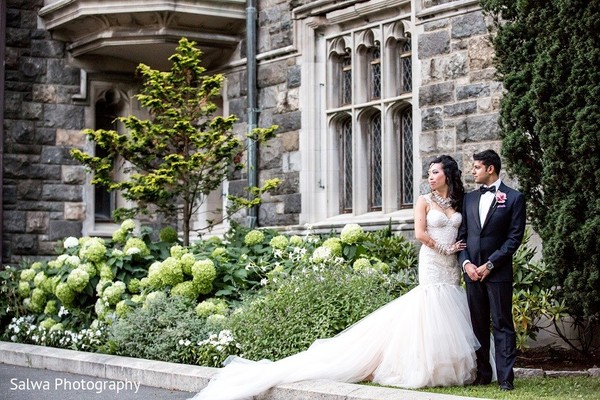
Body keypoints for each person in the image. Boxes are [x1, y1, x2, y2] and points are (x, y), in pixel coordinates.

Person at [191, 155, 478, 400]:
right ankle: (424, 366)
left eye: (435, 172)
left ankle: (449, 365)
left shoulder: (458, 201)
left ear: (448, 175)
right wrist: (445, 248)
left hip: (452, 265)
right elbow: (419, 234)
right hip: (432, 260)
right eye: (428, 173)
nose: (430, 177)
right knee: (430, 307)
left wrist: (456, 252)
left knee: (449, 308)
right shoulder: (424, 200)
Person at [457, 149, 526, 391]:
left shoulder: (514, 198)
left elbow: (514, 238)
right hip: (472, 273)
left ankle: (506, 378)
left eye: (476, 167)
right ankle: (483, 374)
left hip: (498, 273)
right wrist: (466, 264)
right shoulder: (469, 199)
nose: (472, 171)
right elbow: (462, 236)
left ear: (490, 169)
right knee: (477, 325)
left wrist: (491, 264)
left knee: (502, 324)